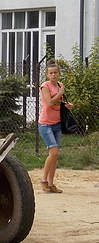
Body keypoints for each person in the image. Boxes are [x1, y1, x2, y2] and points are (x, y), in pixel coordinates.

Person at [38, 61, 73, 193]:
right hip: (46, 124)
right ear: (47, 74)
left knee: (54, 156)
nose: (53, 75)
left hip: (57, 123)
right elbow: (50, 102)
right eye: (51, 73)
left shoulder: (60, 85)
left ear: (59, 74)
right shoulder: (45, 86)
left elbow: (59, 102)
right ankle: (43, 180)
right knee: (54, 153)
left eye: (55, 72)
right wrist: (60, 93)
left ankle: (51, 184)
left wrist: (67, 105)